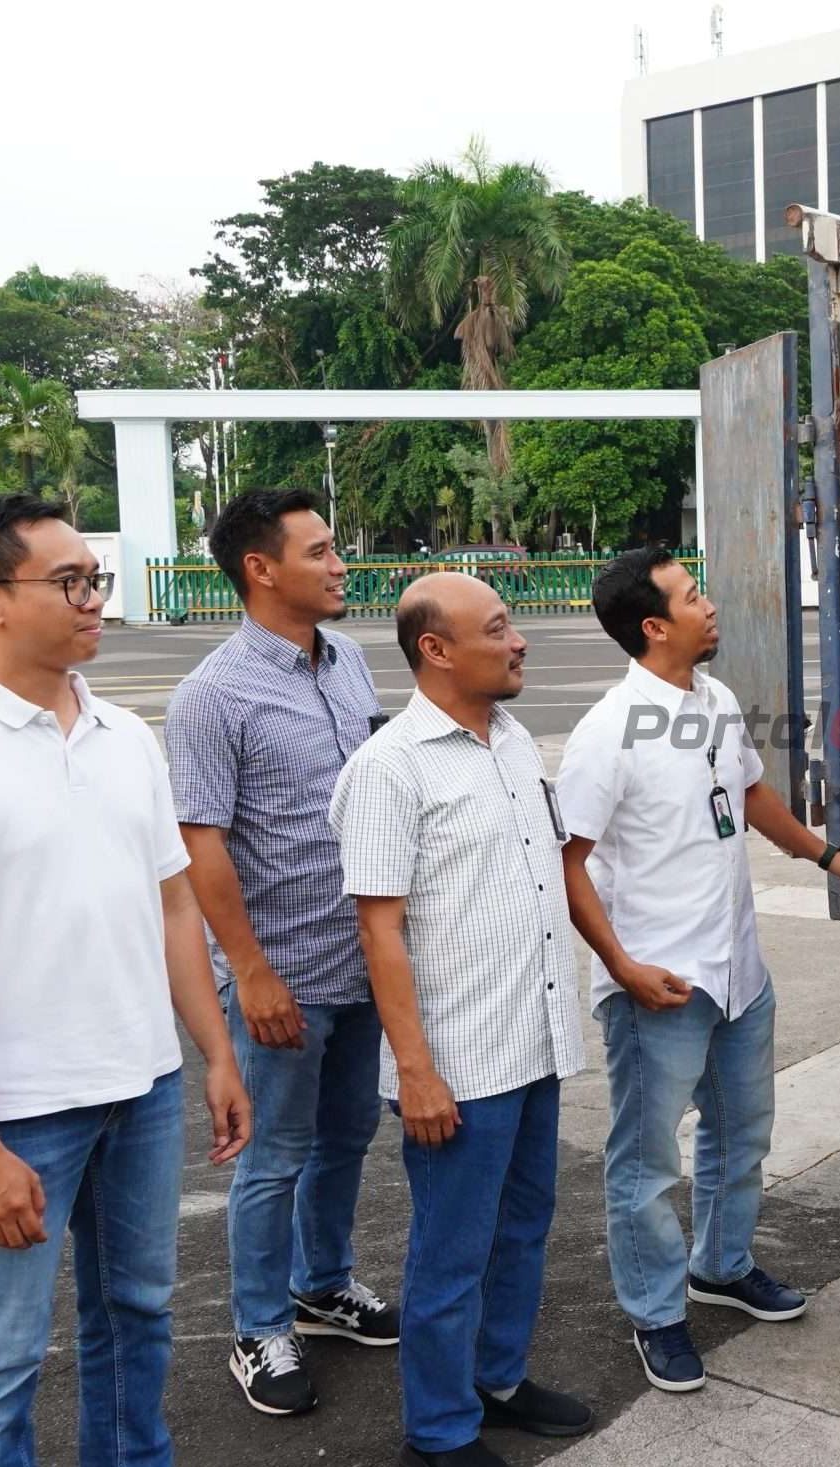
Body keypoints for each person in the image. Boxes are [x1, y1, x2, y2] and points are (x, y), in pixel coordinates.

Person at [0, 495, 251, 1466]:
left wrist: (214, 1053)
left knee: (139, 1319)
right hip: (18, 1115)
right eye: (70, 582)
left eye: (95, 579)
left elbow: (171, 908)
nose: (94, 602)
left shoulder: (126, 738)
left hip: (144, 1091)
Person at [558, 547, 840, 1394]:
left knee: (741, 1134)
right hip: (659, 983)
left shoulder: (717, 699)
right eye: (694, 595)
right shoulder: (607, 731)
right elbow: (569, 860)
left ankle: (721, 1265)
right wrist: (620, 966)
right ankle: (656, 1312)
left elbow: (753, 793)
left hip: (737, 969)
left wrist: (825, 854)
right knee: (647, 1160)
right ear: (654, 625)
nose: (711, 603)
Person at [330, 572, 593, 1467]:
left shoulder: (512, 739)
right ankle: (437, 1432)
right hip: (458, 1060)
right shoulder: (390, 766)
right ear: (435, 650)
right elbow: (379, 927)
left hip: (534, 1039)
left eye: (512, 622)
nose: (518, 640)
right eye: (497, 628)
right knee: (450, 1253)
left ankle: (497, 1378)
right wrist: (413, 1067)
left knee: (523, 1226)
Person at [165, 488, 397, 1418]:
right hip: (282, 975)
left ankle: (322, 1282)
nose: (341, 564)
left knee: (347, 1135)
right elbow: (201, 842)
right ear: (262, 569)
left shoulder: (347, 662)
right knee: (273, 1157)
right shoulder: (212, 694)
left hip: (363, 959)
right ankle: (260, 1325)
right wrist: (250, 971)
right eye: (322, 550)